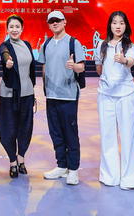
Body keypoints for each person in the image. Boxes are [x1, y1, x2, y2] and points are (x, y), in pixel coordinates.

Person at [94, 11, 134, 190]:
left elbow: (131, 61)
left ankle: (130, 179)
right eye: (114, 22)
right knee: (107, 135)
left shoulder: (131, 46)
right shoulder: (101, 45)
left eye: (121, 23)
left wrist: (123, 60)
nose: (118, 26)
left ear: (126, 26)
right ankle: (109, 176)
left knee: (128, 135)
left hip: (125, 94)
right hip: (105, 95)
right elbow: (99, 69)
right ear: (110, 25)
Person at [38, 11, 85, 186]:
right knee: (55, 132)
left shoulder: (73, 42)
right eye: (51, 21)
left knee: (70, 134)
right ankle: (61, 166)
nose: (55, 23)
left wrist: (74, 66)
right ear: (48, 25)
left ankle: (73, 169)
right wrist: (45, 88)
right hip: (51, 96)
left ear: (65, 22)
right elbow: (44, 67)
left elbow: (81, 67)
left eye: (58, 20)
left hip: (68, 96)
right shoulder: (46, 44)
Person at [0, 14, 36, 179]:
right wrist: (7, 61)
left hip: (27, 93)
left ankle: (21, 159)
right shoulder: (5, 45)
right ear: (7, 29)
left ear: (22, 28)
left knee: (25, 128)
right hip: (9, 94)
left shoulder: (27, 45)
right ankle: (12, 162)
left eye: (17, 26)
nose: (14, 29)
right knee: (8, 129)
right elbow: (4, 54)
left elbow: (31, 69)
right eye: (11, 27)